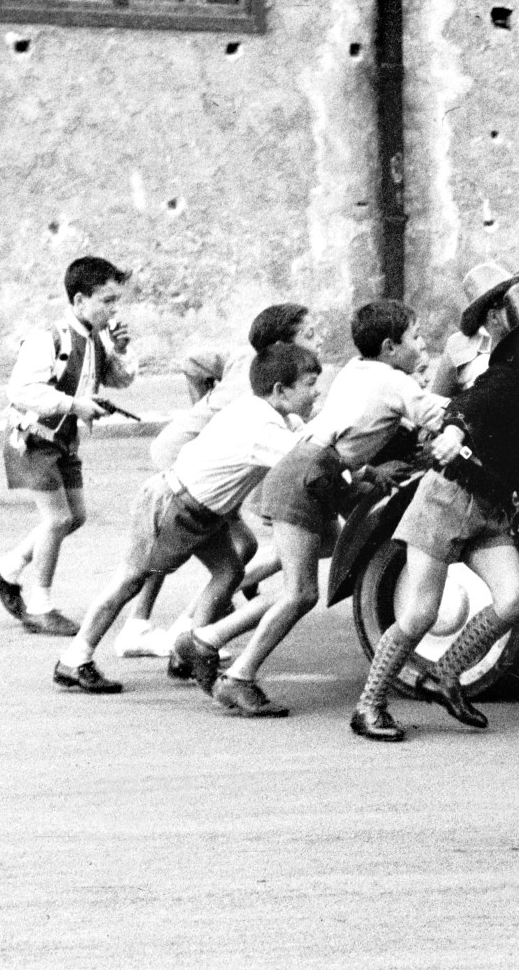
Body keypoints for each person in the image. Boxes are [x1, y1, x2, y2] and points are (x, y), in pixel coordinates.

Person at [350, 276, 519, 742]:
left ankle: (445, 673)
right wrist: (451, 435)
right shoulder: (506, 378)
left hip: (491, 510)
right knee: (420, 614)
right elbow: (465, 408)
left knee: (515, 598)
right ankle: (368, 706)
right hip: (447, 501)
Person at [183, 301, 448, 717]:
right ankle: (237, 675)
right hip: (306, 479)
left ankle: (208, 637)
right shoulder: (395, 382)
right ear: (391, 347)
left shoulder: (357, 370)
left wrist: (365, 473)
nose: (423, 344)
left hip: (312, 471)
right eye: (415, 337)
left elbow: (348, 434)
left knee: (323, 557)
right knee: (301, 592)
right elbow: (431, 412)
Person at [50, 343, 320, 694]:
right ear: (280, 390)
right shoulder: (263, 427)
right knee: (130, 580)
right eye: (311, 383)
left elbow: (303, 435)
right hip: (174, 505)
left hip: (203, 509)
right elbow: (306, 460)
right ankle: (75, 658)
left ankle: (191, 651)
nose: (317, 391)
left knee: (229, 571)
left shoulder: (268, 411)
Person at [122, 302, 314, 659]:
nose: (316, 343)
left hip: (194, 453)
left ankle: (184, 626)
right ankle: (161, 626)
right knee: (187, 541)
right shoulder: (265, 393)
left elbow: (194, 362)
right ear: (280, 347)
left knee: (236, 547)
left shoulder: (249, 360)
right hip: (187, 458)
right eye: (308, 335)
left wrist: (201, 403)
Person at [0, 255, 135, 637]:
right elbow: (21, 391)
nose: (114, 309)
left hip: (63, 439)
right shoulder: (50, 339)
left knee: (76, 516)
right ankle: (40, 606)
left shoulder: (96, 338)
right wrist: (75, 405)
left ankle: (6, 569)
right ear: (80, 301)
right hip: (35, 439)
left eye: (117, 300)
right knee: (58, 520)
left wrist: (120, 351)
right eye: (107, 300)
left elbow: (119, 380)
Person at [427, 261, 519, 398]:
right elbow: (438, 401)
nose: (517, 309)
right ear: (494, 316)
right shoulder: (459, 347)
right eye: (510, 304)